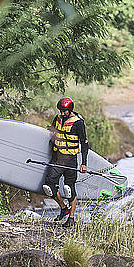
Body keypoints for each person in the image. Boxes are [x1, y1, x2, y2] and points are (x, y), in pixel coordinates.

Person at [42, 97, 88, 227]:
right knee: (48, 186)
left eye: (64, 111)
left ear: (70, 110)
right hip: (57, 158)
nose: (61, 113)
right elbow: (52, 131)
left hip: (70, 160)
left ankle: (71, 218)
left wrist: (84, 163)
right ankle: (63, 208)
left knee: (69, 189)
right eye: (60, 111)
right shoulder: (58, 118)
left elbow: (84, 144)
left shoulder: (78, 123)